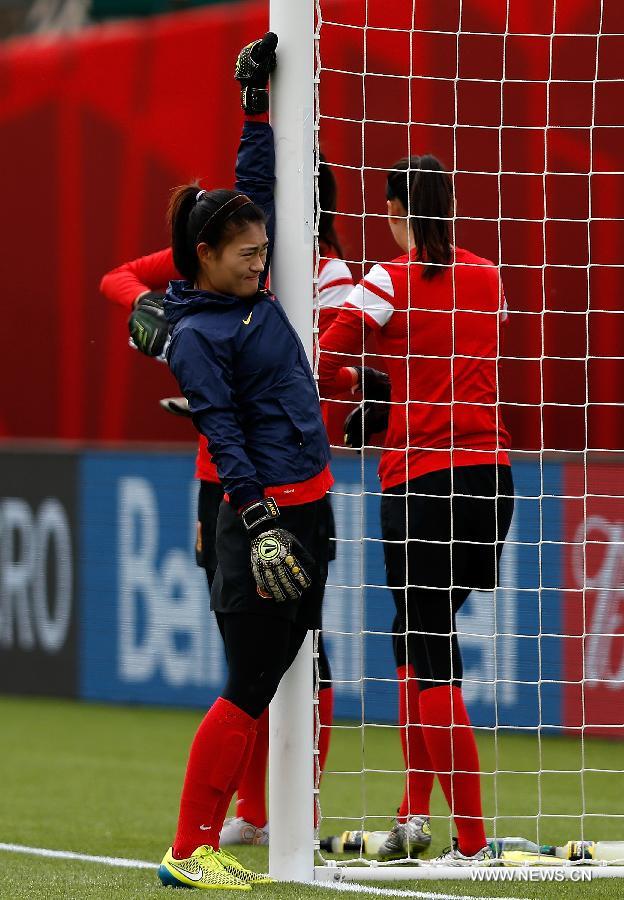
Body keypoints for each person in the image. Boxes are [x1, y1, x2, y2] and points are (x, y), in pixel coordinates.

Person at [100, 34, 351, 852]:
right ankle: (207, 838)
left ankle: (274, 819)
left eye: (262, 247)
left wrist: (254, 102)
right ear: (201, 256)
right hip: (255, 501)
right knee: (252, 677)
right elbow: (222, 427)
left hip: (301, 500)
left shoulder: (248, 270)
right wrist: (251, 513)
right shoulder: (198, 323)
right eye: (247, 252)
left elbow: (254, 179)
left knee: (292, 670)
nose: (262, 258)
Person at [319, 154, 514, 865]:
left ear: (398, 210)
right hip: (492, 481)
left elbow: (320, 361)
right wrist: (395, 393)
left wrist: (371, 395)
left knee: (429, 648)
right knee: (415, 632)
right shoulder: (490, 277)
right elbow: (458, 360)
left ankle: (471, 843)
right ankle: (413, 811)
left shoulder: (386, 281)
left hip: (421, 485)